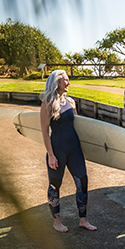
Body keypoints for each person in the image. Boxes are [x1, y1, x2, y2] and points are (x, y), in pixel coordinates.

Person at [39, 70, 97, 232]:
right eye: (65, 80)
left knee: (83, 182)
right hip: (58, 150)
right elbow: (44, 131)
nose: (68, 83)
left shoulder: (71, 102)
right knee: (55, 185)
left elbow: (78, 127)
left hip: (75, 148)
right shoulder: (47, 103)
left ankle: (83, 220)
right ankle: (57, 222)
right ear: (57, 82)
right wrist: (51, 155)